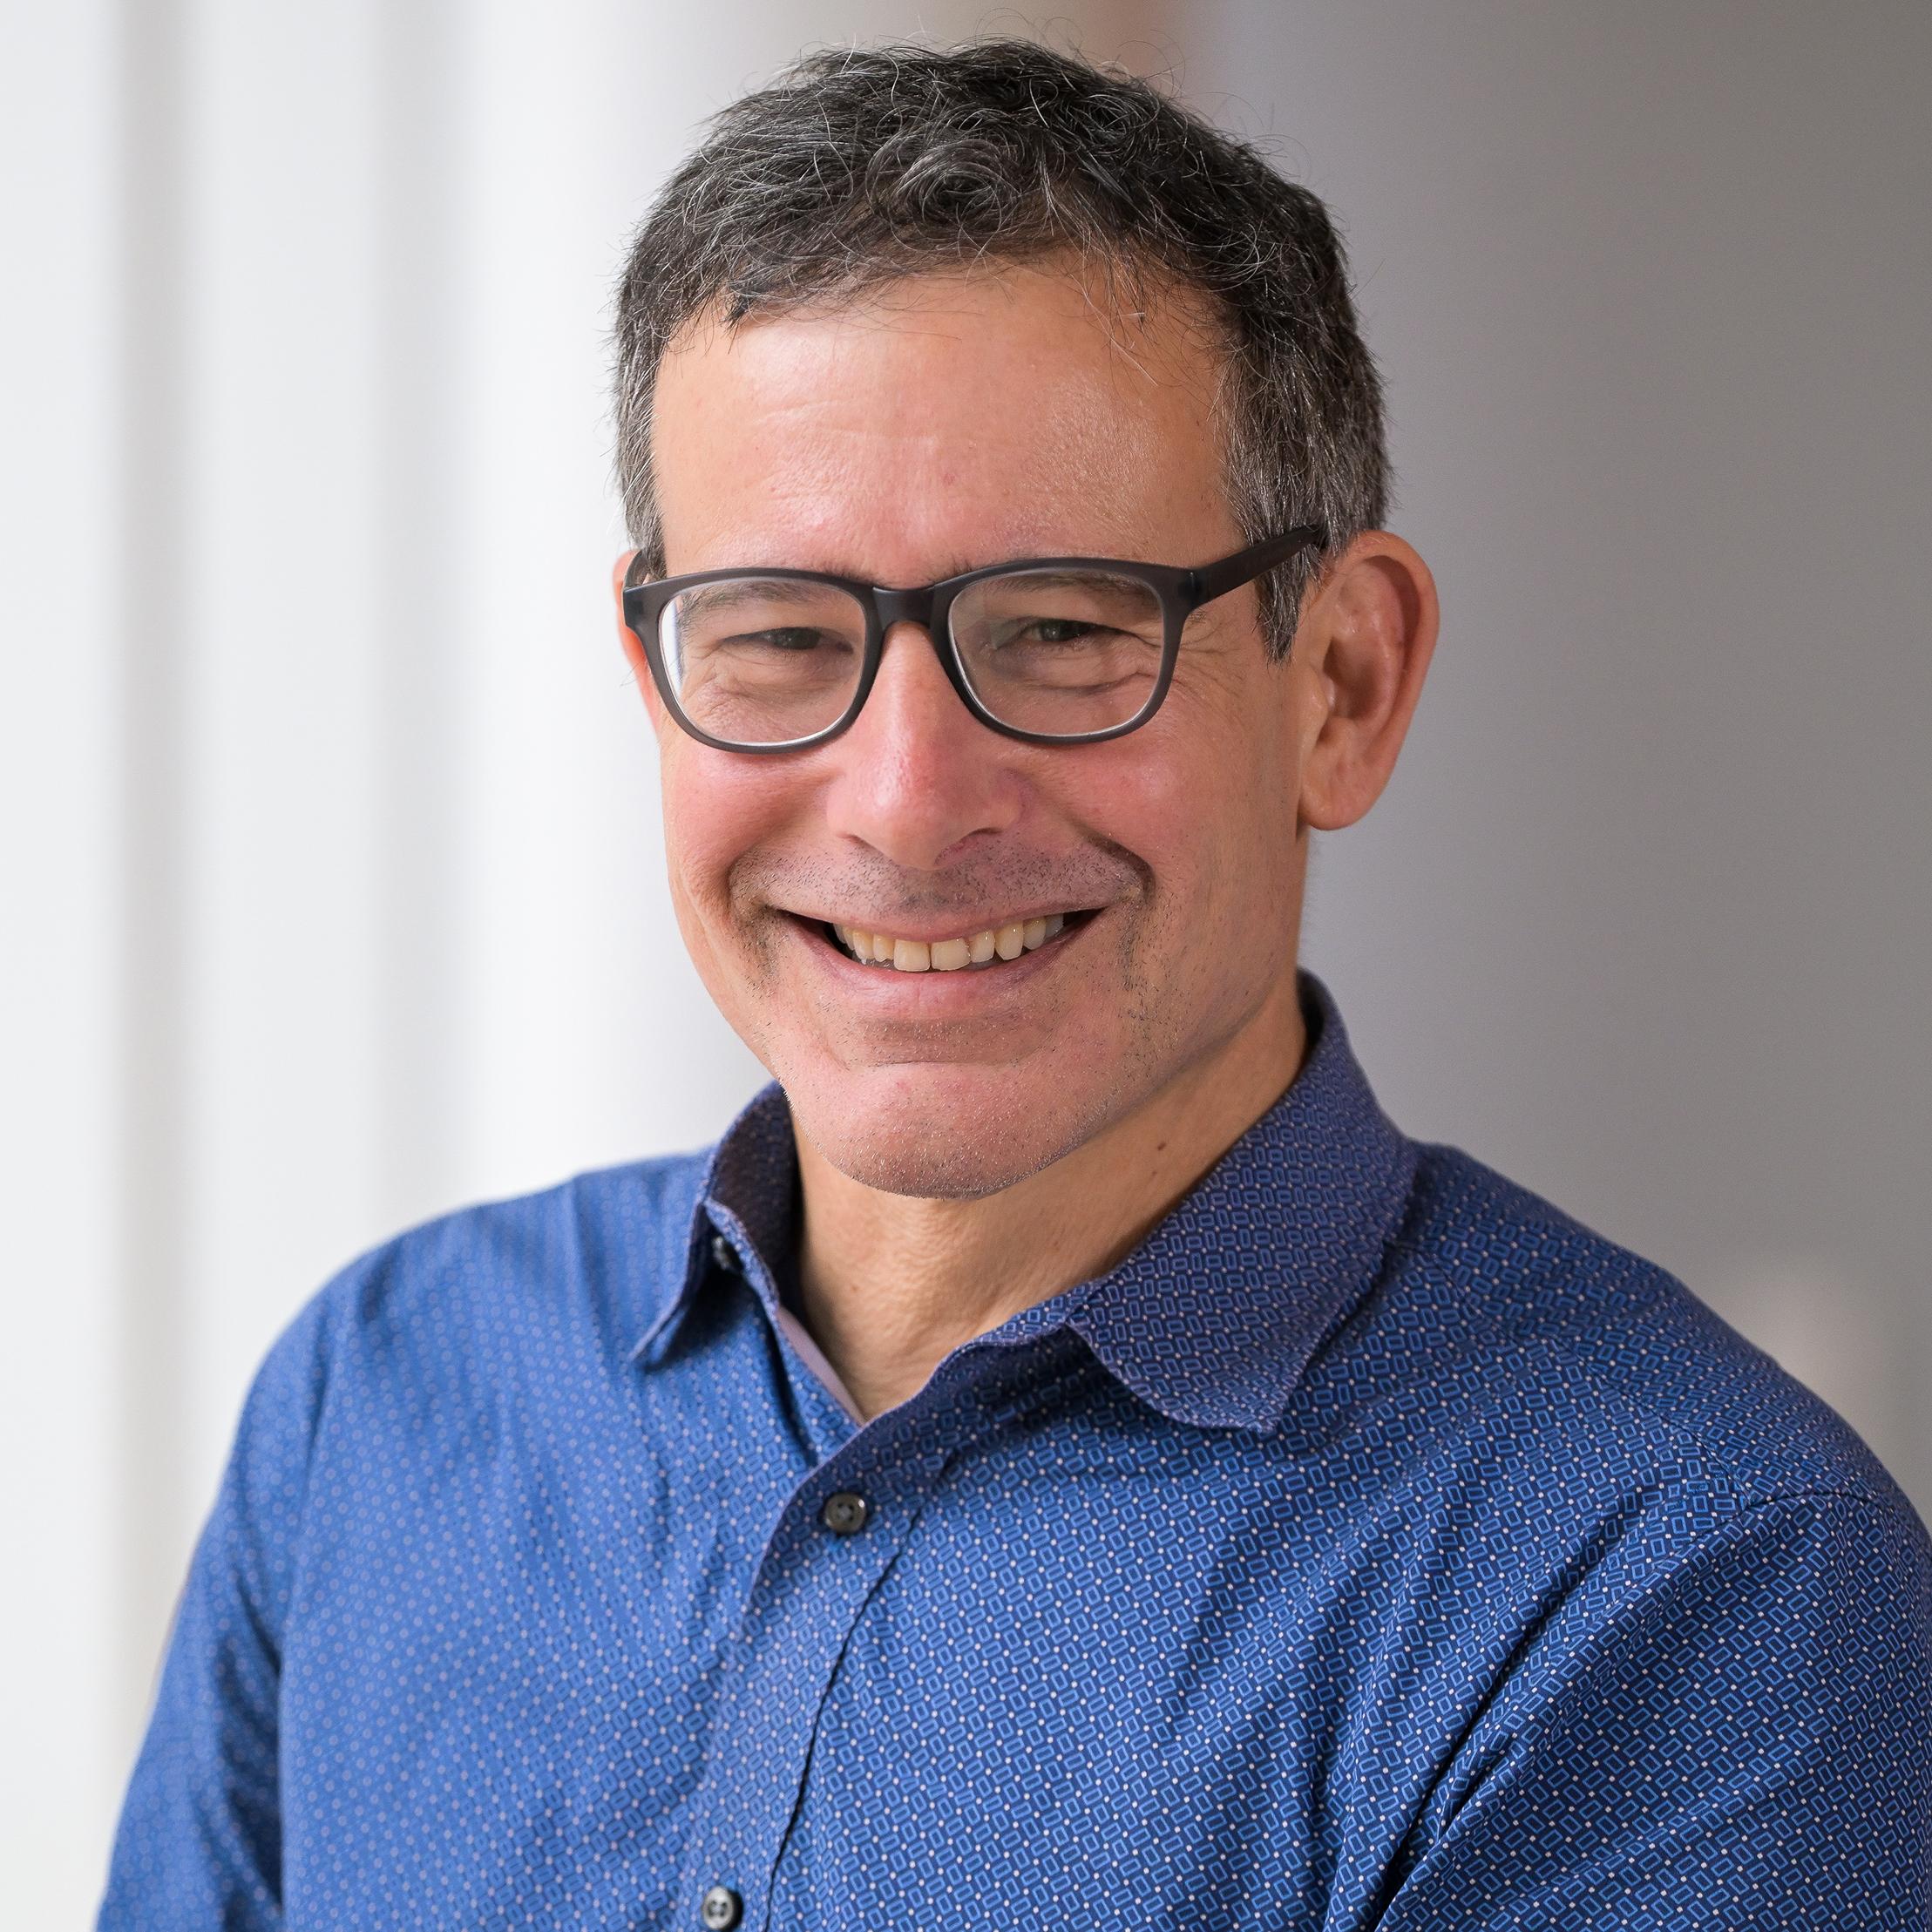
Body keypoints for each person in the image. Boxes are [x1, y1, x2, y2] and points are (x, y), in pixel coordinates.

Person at [100, 37, 1930, 1931]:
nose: (903, 802)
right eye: (781, 636)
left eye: (1060, 630)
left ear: (1343, 685)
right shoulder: (385, 1400)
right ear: (655, 676)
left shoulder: (1688, 1588)